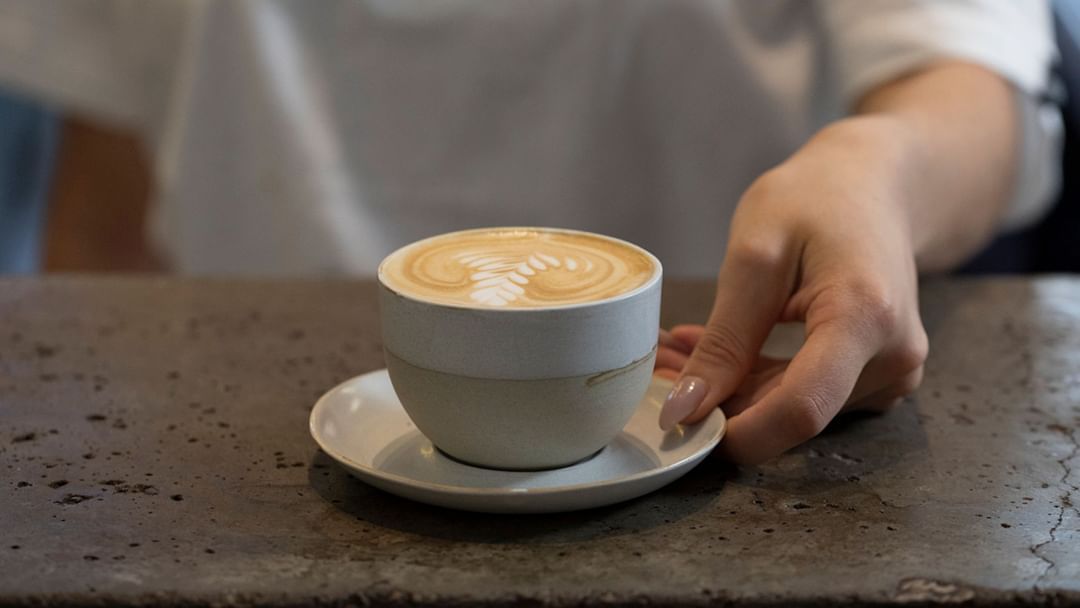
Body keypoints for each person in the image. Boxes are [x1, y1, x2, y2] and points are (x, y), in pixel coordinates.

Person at [0, 1, 1061, 463]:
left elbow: (978, 87)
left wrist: (876, 168)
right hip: (238, 460)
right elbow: (104, 207)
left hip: (709, 439)